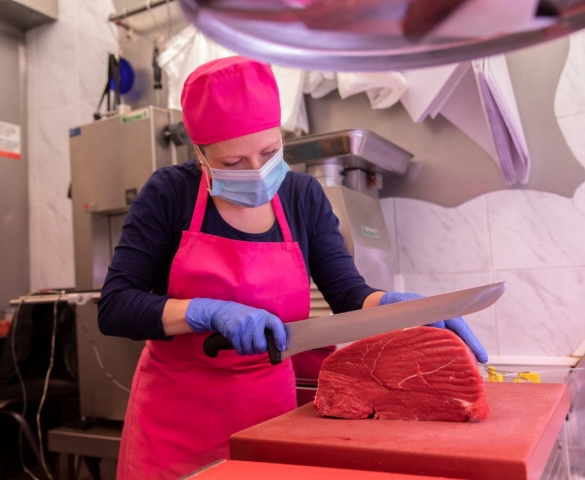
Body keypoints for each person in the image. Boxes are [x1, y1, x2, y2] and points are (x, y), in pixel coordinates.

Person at [97, 56, 488, 480]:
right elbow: (116, 304)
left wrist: (399, 310)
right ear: (200, 153)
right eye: (233, 163)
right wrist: (204, 312)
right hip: (176, 428)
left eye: (268, 152)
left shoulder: (303, 197)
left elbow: (348, 295)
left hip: (271, 421)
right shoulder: (170, 193)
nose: (258, 171)